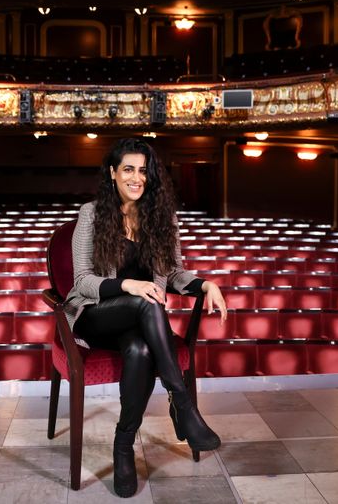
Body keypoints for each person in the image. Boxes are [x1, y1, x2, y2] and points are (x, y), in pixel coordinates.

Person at [64, 137, 227, 498]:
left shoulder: (161, 217)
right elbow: (83, 282)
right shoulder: (91, 214)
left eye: (143, 171)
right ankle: (182, 405)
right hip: (96, 316)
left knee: (139, 350)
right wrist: (130, 285)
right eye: (128, 170)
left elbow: (172, 274)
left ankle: (123, 446)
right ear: (112, 173)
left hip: (137, 325)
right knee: (147, 302)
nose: (136, 178)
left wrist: (204, 285)